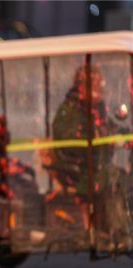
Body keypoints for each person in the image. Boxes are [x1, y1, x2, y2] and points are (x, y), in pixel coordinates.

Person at [52, 65, 111, 229]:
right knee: (109, 181)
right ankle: (92, 229)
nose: (99, 89)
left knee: (120, 180)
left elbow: (110, 127)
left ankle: (111, 231)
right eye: (94, 84)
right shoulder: (70, 110)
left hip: (99, 167)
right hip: (77, 170)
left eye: (100, 84)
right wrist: (95, 139)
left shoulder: (98, 109)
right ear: (81, 86)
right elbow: (68, 141)